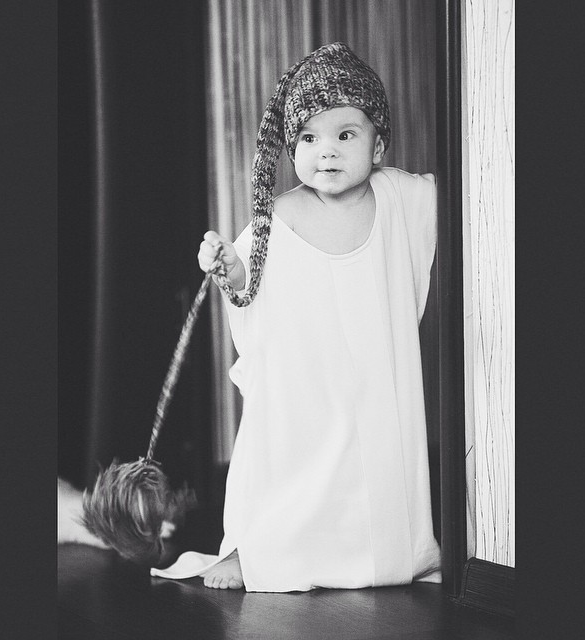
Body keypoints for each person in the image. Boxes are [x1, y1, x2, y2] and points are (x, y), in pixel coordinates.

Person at [151, 42, 441, 593]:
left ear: (379, 144)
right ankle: (251, 550)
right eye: (308, 138)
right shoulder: (282, 214)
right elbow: (248, 281)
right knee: (279, 462)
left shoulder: (400, 198)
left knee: (374, 467)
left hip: (374, 385)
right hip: (305, 385)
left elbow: (462, 195)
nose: (325, 151)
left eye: (345, 135)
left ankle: (380, 553)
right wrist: (228, 265)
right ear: (291, 148)